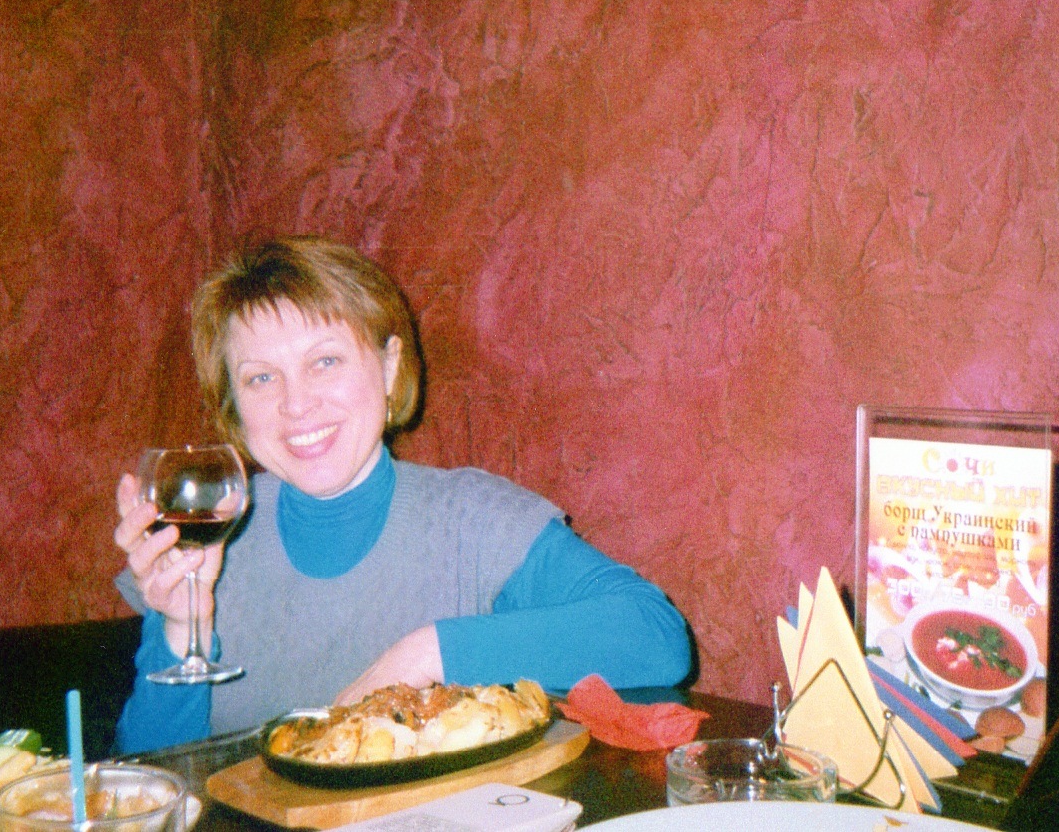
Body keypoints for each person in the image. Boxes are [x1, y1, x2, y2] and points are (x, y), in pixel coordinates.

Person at [110, 237, 691, 753]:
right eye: (261, 377)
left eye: (325, 361)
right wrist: (182, 629)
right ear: (234, 406)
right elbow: (150, 781)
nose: (296, 404)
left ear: (388, 368)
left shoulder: (472, 521)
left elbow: (657, 637)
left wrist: (427, 654)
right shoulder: (211, 533)